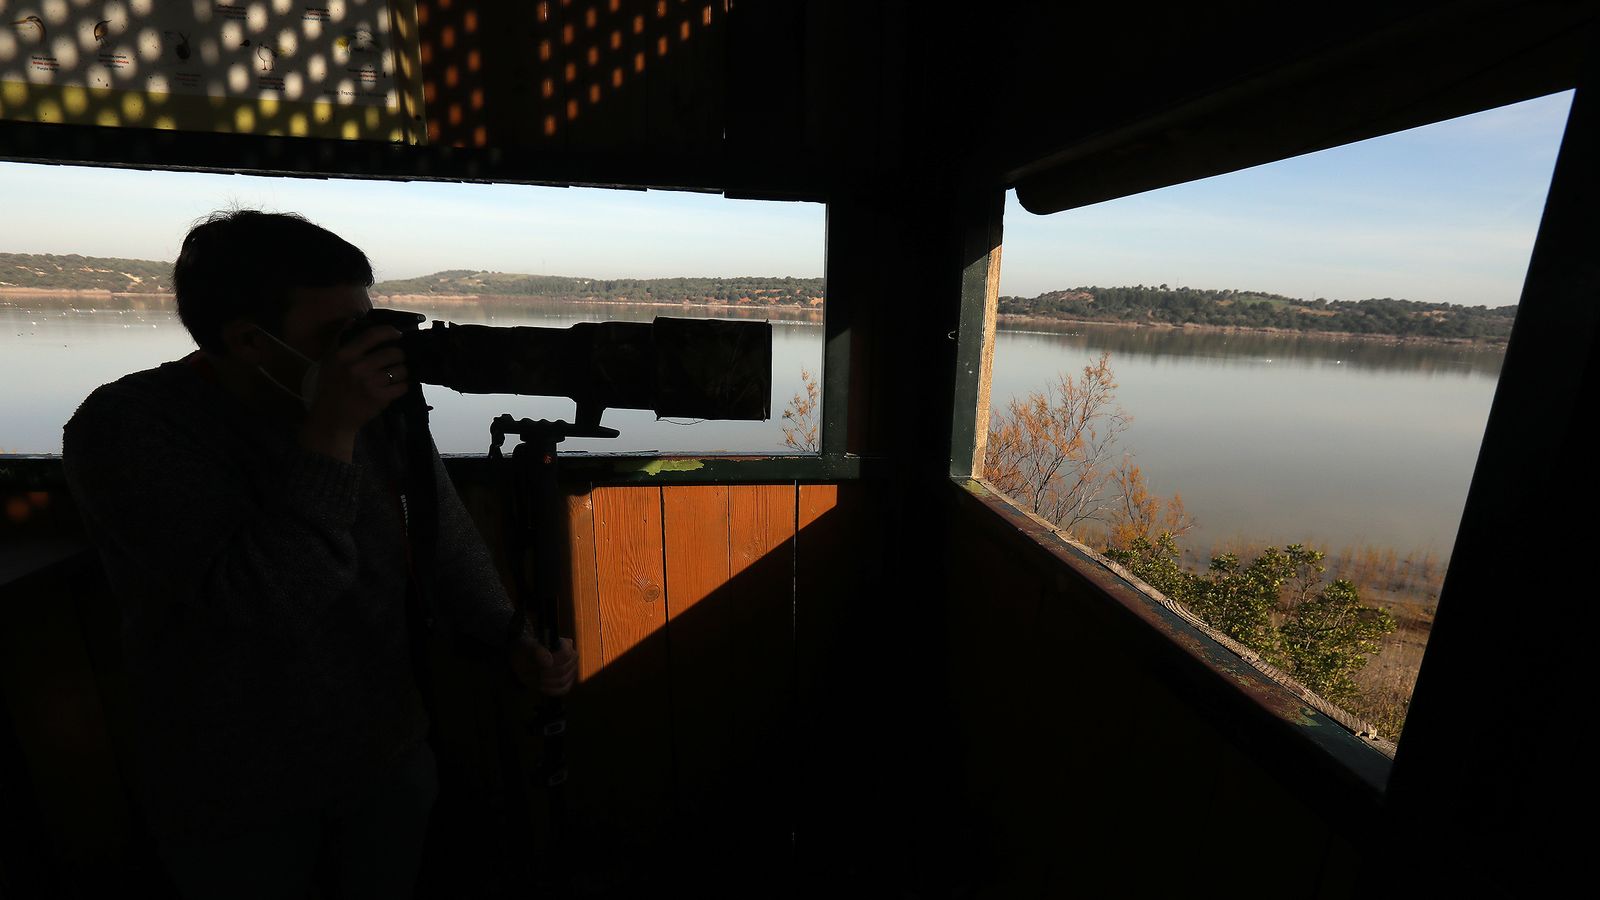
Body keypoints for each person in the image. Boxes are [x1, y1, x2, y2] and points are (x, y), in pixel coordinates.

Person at [60, 209, 577, 899]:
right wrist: (332, 431)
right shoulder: (128, 429)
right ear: (250, 340)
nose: (363, 350)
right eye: (339, 335)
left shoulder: (369, 404)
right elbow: (260, 603)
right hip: (233, 793)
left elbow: (443, 534)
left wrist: (507, 635)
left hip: (384, 757)